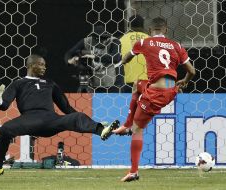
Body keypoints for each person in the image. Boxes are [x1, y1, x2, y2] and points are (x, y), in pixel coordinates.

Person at [0, 54, 120, 179]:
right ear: (31, 65)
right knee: (5, 129)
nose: (44, 67)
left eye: (44, 65)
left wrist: (92, 122)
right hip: (29, 120)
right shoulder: (18, 84)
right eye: (41, 64)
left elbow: (66, 108)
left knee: (78, 116)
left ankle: (101, 130)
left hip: (51, 121)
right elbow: (4, 106)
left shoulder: (50, 83)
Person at [112, 17, 196, 182]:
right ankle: (126, 124)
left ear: (150, 31)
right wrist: (184, 81)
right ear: (165, 30)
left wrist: (120, 62)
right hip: (170, 90)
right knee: (138, 84)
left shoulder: (145, 42)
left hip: (156, 93)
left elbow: (127, 57)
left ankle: (134, 171)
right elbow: (192, 71)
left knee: (138, 129)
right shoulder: (176, 46)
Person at [64, 25, 123, 93]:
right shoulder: (87, 41)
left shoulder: (114, 41)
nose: (101, 43)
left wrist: (95, 57)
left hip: (112, 80)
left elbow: (116, 58)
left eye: (103, 39)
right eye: (97, 41)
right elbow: (69, 53)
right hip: (94, 81)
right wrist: (69, 61)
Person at [120, 15, 149, 92]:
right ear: (143, 25)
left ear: (129, 25)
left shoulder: (121, 40)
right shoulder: (150, 39)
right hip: (146, 82)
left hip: (127, 82)